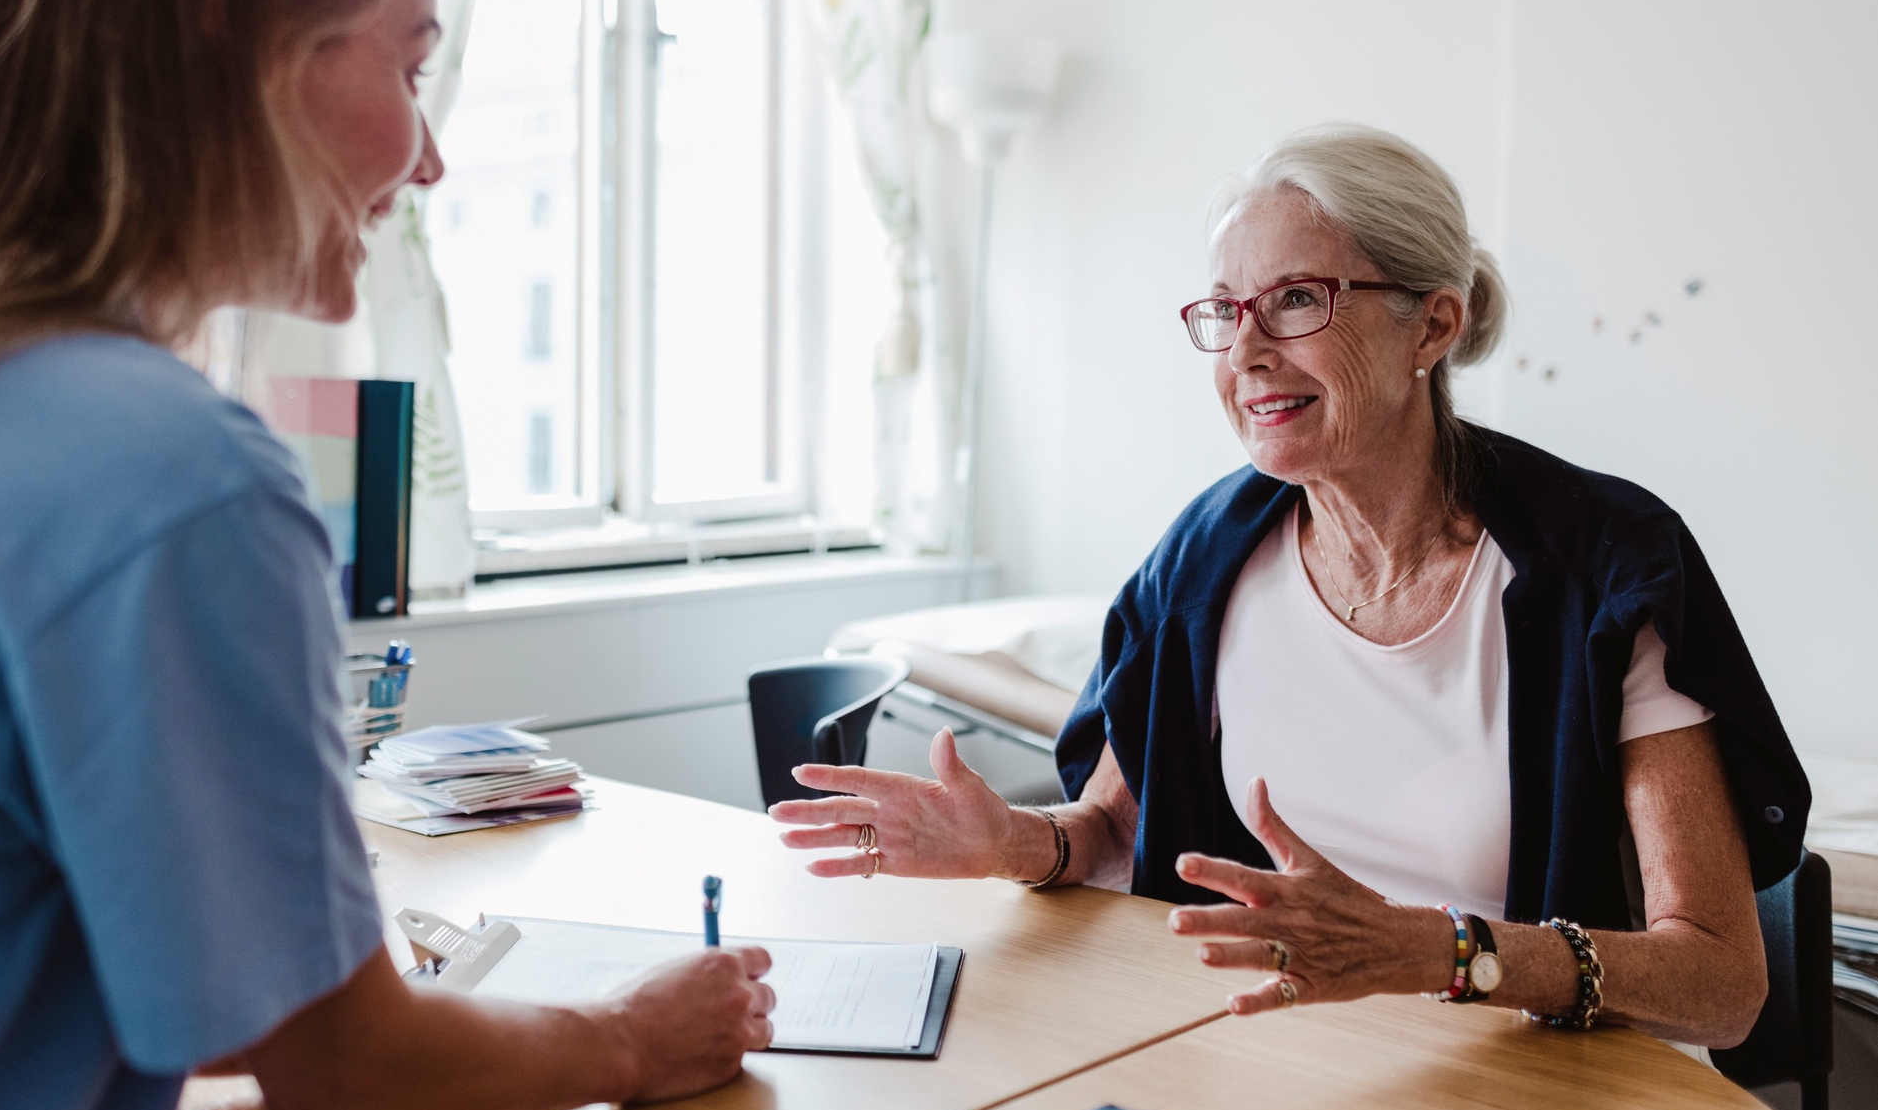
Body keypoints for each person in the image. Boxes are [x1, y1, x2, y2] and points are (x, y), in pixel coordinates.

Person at [0, 0, 771, 1110]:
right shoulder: (163, 468)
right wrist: (626, 1038)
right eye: (410, 69)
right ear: (233, 43)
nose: (430, 158)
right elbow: (335, 1058)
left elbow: (93, 969)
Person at [774, 123, 1807, 1050]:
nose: (1250, 353)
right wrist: (1020, 842)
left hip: (1539, 1092)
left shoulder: (1604, 565)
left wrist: (1439, 954)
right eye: (1226, 312)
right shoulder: (1205, 560)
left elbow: (1721, 984)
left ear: (1433, 326)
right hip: (1276, 1063)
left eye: (1298, 301)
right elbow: (1118, 831)